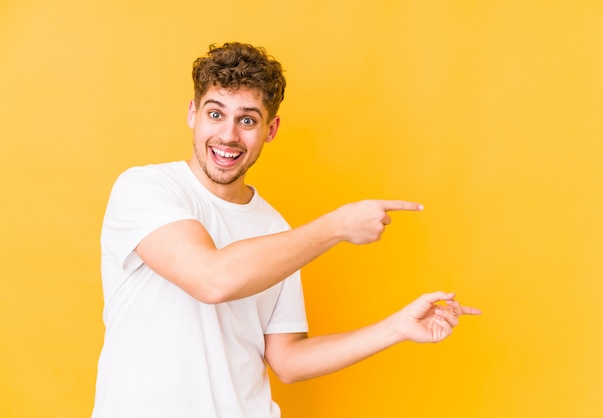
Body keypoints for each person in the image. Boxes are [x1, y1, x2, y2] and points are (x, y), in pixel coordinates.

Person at [91, 42, 481, 418]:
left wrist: (396, 327)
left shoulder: (276, 229)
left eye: (247, 119)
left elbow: (288, 360)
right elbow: (211, 279)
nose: (228, 135)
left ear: (271, 129)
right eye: (215, 114)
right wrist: (337, 226)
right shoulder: (145, 188)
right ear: (193, 113)